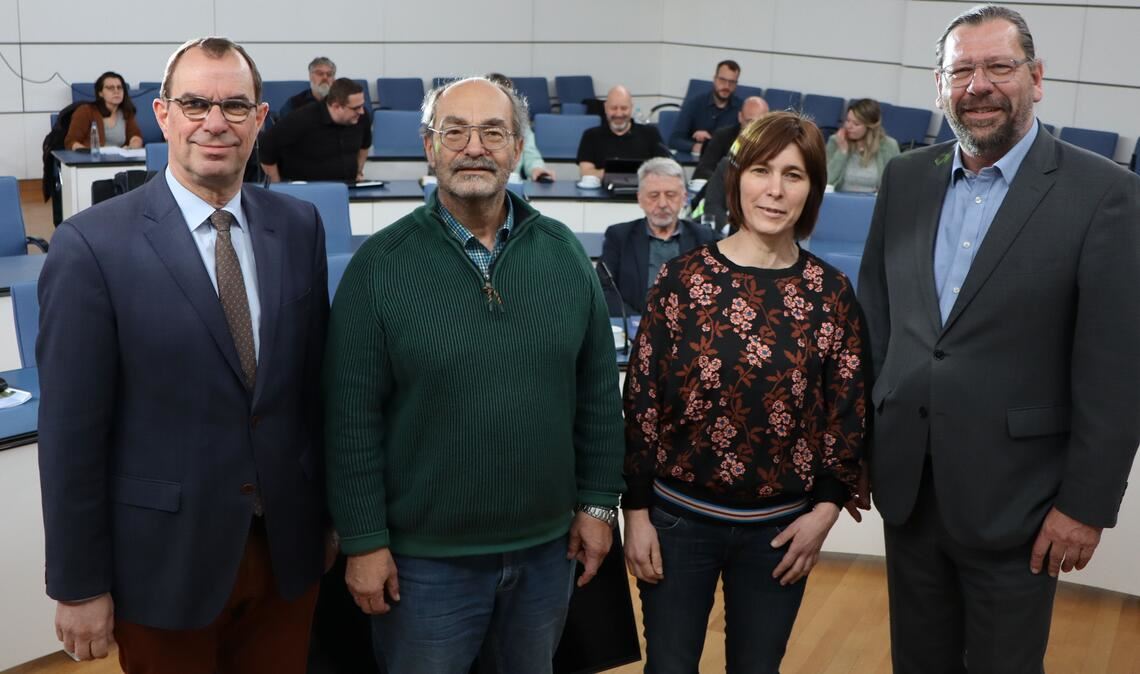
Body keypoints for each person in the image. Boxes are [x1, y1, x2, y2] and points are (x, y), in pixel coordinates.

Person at [858, 5, 1140, 673]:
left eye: (998, 67)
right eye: (961, 71)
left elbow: (1116, 370)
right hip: (909, 487)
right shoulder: (905, 178)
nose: (978, 85)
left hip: (1023, 503)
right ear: (939, 85)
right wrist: (861, 447)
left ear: (1036, 78)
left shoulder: (1106, 195)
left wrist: (1086, 505)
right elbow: (877, 323)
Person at [37, 37, 330, 671]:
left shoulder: (299, 226)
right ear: (164, 115)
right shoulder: (90, 246)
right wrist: (79, 583)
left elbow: (312, 390)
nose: (215, 122)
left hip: (286, 553)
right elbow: (70, 435)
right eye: (196, 103)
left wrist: (331, 522)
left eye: (235, 105)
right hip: (162, 563)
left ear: (260, 118)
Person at [324, 76, 625, 674]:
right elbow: (350, 420)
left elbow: (596, 395)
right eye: (454, 131)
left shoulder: (564, 255)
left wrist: (597, 505)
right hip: (422, 566)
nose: (474, 147)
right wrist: (364, 540)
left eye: (493, 132)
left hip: (546, 554)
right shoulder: (378, 268)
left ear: (517, 148)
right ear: (429, 146)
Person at [623, 111, 868, 673]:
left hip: (781, 531)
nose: (775, 190)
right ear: (737, 178)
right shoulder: (681, 280)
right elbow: (641, 403)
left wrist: (826, 510)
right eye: (762, 170)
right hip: (677, 521)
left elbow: (847, 410)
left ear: (813, 189)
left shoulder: (831, 293)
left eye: (793, 175)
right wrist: (634, 512)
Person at [597, 157, 720, 316]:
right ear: (640, 199)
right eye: (654, 195)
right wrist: (638, 322)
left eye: (670, 195)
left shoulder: (704, 238)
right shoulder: (619, 237)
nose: (662, 204)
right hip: (636, 323)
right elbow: (604, 290)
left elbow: (719, 288)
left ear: (684, 198)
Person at [260, 77, 372, 183]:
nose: (361, 111)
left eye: (362, 105)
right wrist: (277, 186)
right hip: (305, 190)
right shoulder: (302, 118)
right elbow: (266, 146)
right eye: (356, 108)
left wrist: (358, 171)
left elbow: (365, 145)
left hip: (348, 187)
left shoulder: (361, 117)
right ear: (336, 106)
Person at [577, 85, 669, 179]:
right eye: (614, 108)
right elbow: (585, 172)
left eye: (624, 108)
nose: (619, 114)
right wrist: (623, 172)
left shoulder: (650, 133)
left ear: (631, 108)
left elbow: (664, 169)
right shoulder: (591, 136)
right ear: (605, 108)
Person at [486, 72, 555, 182]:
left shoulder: (521, 126)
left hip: (511, 184)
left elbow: (531, 156)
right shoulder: (471, 125)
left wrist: (537, 170)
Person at [668, 60, 743, 154]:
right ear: (715, 79)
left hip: (724, 161)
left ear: (736, 84)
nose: (726, 86)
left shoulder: (741, 109)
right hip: (695, 160)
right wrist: (694, 146)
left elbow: (743, 146)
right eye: (722, 80)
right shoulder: (695, 103)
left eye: (732, 82)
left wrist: (710, 143)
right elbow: (674, 140)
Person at [825, 98, 899, 192]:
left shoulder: (889, 146)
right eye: (847, 120)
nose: (848, 126)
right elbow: (826, 181)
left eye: (856, 124)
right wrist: (842, 151)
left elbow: (896, 184)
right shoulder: (835, 141)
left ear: (870, 126)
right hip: (839, 199)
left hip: (873, 200)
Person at [692, 95, 769, 181]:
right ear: (740, 117)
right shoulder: (722, 136)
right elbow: (704, 170)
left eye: (760, 123)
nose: (754, 128)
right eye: (749, 122)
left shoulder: (772, 143)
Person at [64, 71, 144, 150]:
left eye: (119, 87)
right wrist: (87, 153)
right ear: (100, 93)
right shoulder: (85, 111)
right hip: (91, 157)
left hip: (118, 157)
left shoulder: (126, 112)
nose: (116, 91)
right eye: (110, 88)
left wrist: (132, 147)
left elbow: (135, 136)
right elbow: (71, 142)